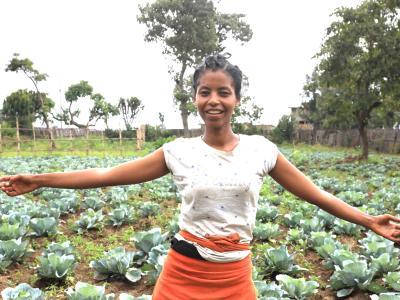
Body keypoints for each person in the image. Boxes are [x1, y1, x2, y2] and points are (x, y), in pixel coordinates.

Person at [1, 54, 400, 300]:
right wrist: (41, 178)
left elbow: (315, 194)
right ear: (194, 97)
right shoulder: (178, 151)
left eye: (223, 92)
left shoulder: (262, 150)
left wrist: (367, 220)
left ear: (237, 99)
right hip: (182, 274)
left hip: (234, 275)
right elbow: (108, 175)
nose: (214, 100)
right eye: (204, 91)